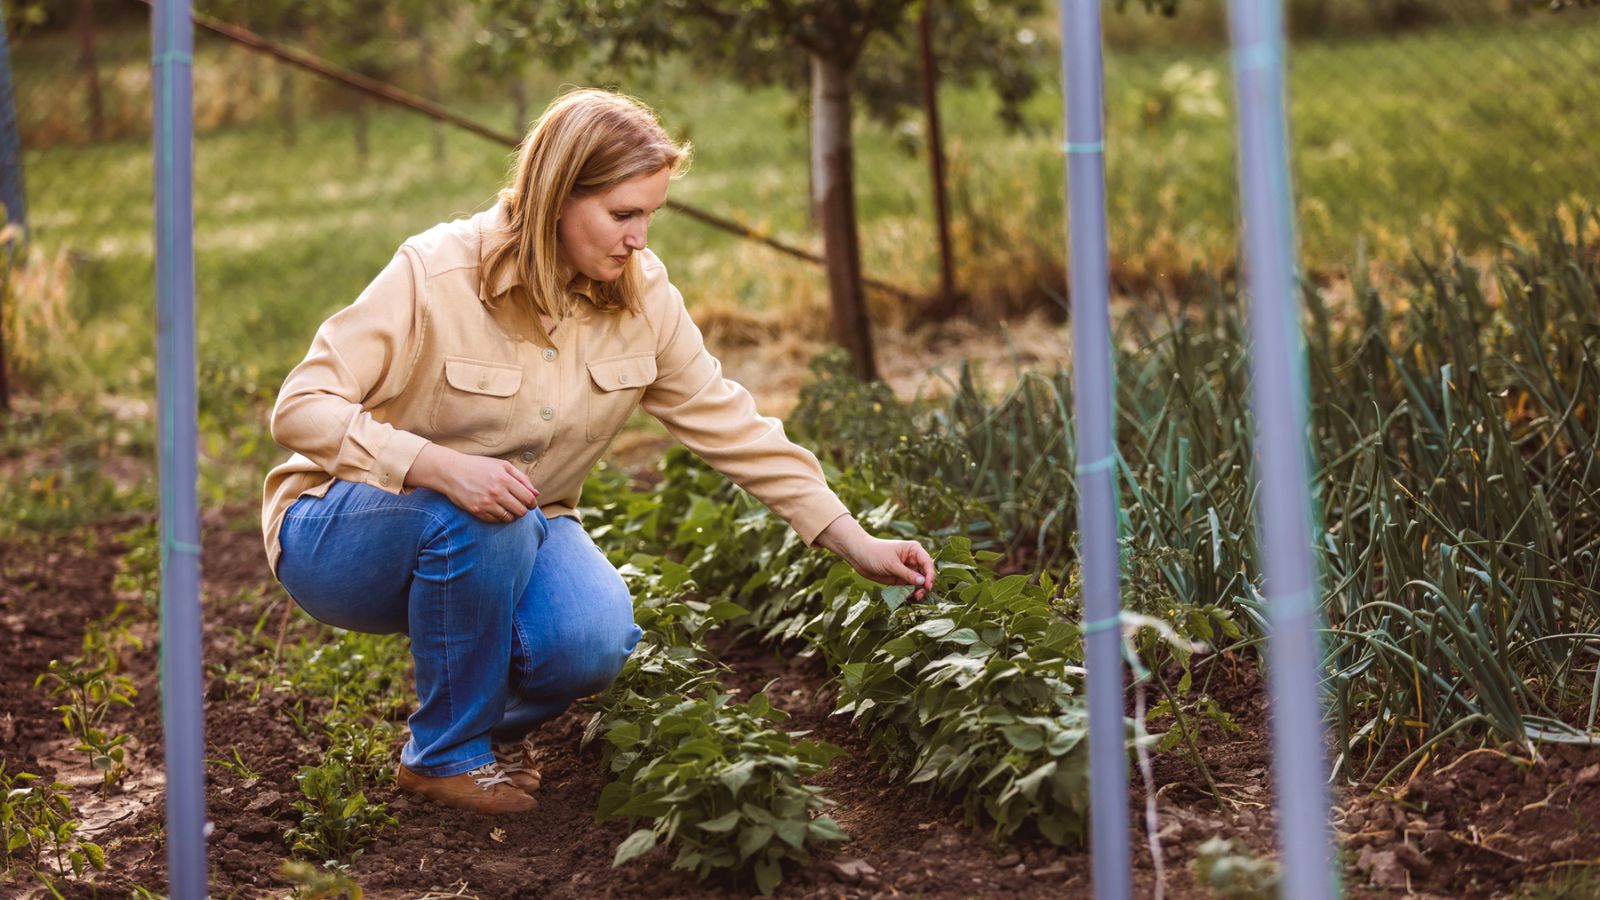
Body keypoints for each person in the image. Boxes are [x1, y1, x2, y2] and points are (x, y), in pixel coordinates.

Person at [260, 88, 936, 816]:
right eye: (623, 215)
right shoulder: (435, 273)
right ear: (556, 197)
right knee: (481, 513)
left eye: (650, 215)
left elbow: (729, 422)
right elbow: (302, 407)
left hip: (512, 526)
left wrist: (850, 537)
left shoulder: (641, 300)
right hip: (341, 528)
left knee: (593, 640)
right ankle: (445, 756)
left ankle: (476, 732)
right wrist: (441, 466)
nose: (640, 238)